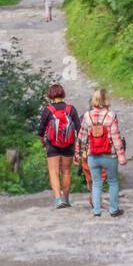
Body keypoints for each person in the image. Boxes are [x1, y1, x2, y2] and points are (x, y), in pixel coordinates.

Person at [75, 89, 126, 218]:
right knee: (113, 182)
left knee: (96, 183)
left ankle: (96, 211)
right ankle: (113, 210)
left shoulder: (87, 116)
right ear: (106, 100)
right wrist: (121, 156)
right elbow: (115, 137)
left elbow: (82, 137)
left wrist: (78, 154)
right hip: (109, 156)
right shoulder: (111, 115)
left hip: (93, 156)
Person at [38, 82, 80, 209]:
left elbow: (41, 131)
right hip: (69, 145)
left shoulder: (48, 110)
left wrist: (43, 143)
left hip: (52, 146)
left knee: (53, 172)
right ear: (63, 94)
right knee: (66, 171)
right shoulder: (70, 109)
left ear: (50, 95)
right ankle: (66, 199)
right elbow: (79, 128)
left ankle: (58, 200)